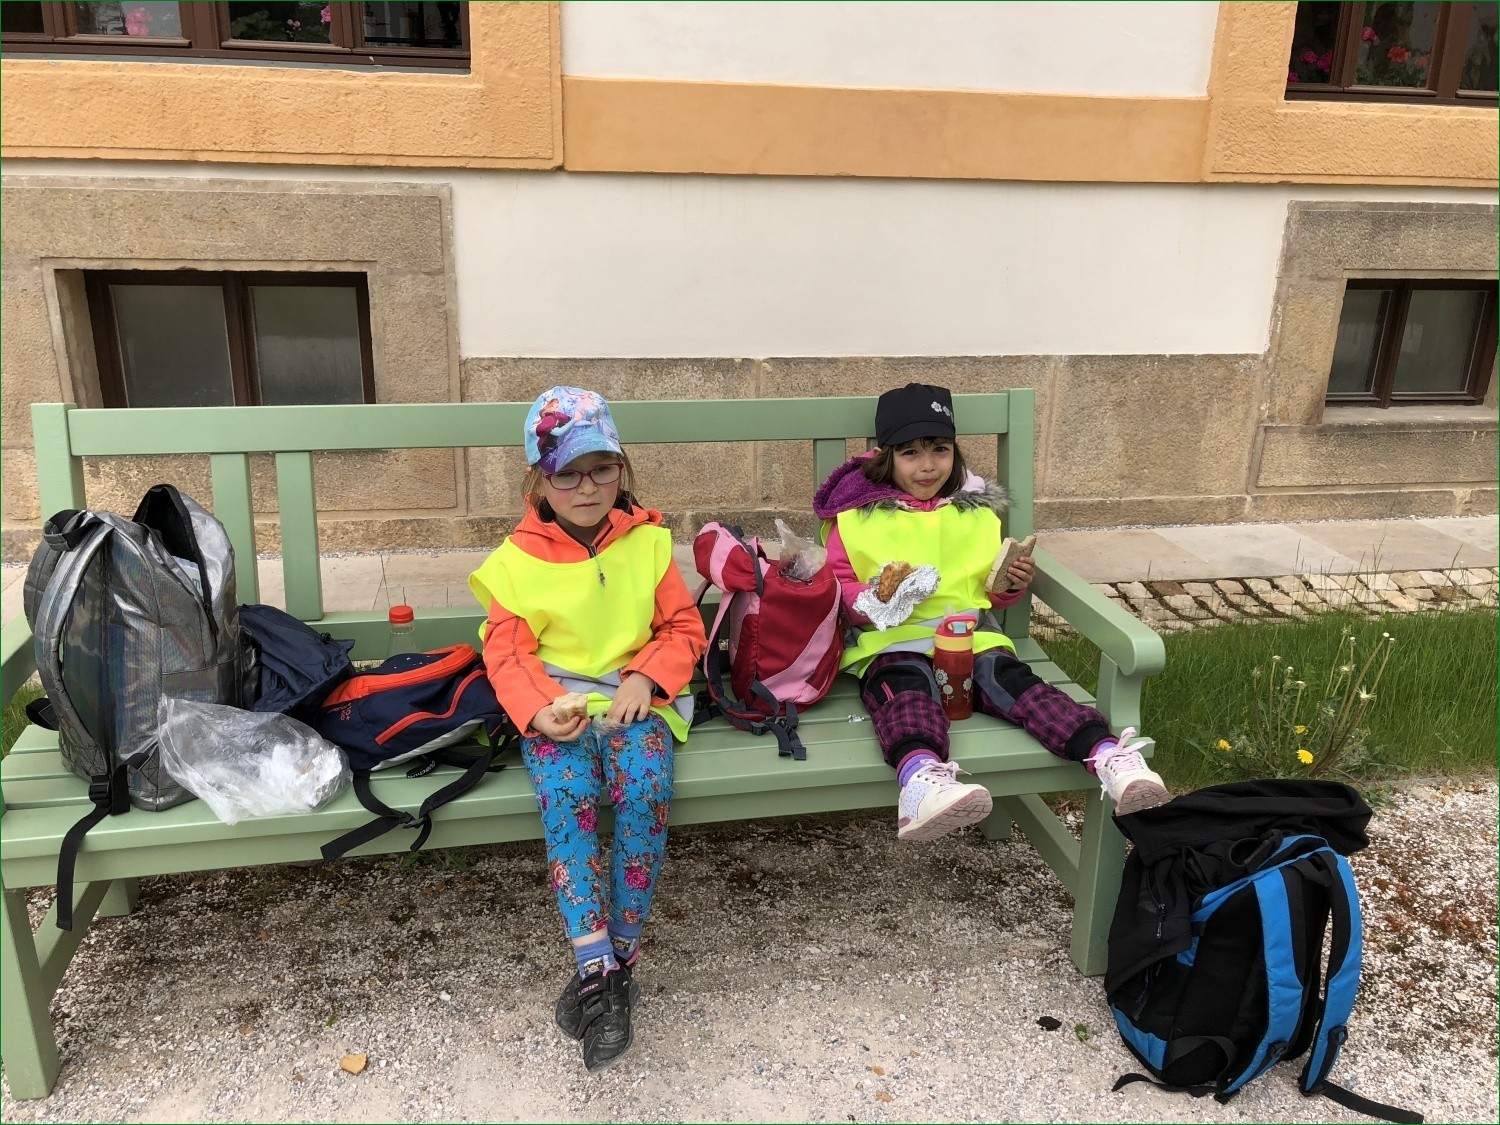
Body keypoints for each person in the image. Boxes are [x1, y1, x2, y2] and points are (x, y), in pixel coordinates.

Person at [812, 382, 1170, 842]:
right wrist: (878, 597)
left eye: (940, 450)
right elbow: (838, 593)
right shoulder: (855, 520)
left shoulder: (974, 514)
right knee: (905, 692)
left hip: (971, 638)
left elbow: (984, 592)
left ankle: (1106, 755)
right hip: (893, 642)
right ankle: (922, 781)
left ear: (955, 452)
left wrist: (1009, 585)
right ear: (886, 456)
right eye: (910, 453)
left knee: (1018, 684)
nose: (927, 466)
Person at [469, 386, 707, 1072]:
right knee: (568, 798)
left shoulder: (649, 544)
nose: (586, 487)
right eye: (567, 472)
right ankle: (596, 961)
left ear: (621, 469)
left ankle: (617, 958)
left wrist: (644, 679)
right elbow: (505, 651)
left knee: (644, 792)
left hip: (637, 702)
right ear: (538, 479)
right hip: (558, 710)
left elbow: (683, 628)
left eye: (601, 468)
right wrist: (539, 708)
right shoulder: (516, 560)